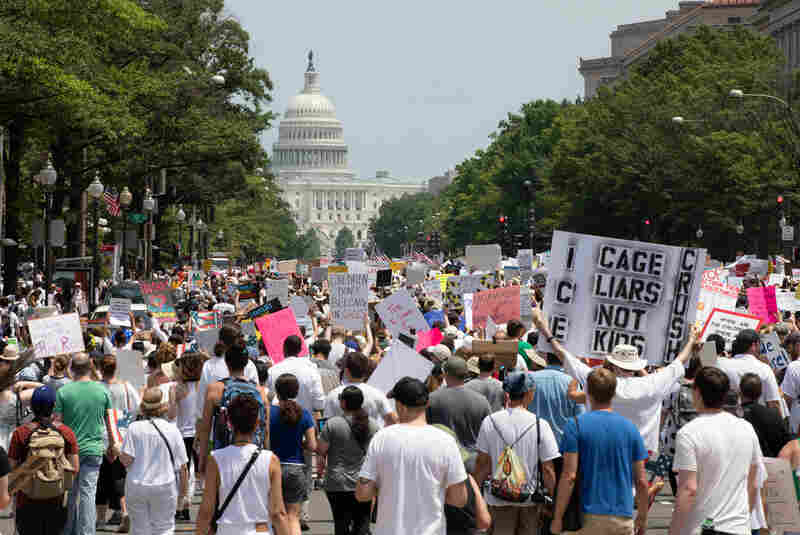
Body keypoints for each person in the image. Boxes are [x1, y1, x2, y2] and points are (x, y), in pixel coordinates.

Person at [533, 308, 699, 456]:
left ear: (612, 364)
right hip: (638, 454)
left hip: (601, 450)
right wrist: (691, 341)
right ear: (636, 365)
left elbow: (564, 356)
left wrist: (545, 330)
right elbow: (679, 362)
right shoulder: (652, 384)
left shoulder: (600, 382)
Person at [356, 376, 468, 535]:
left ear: (400, 406)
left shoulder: (381, 438)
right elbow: (459, 499)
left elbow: (363, 494)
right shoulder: (446, 441)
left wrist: (383, 487)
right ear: (426, 404)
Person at [551, 368, 650, 535]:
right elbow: (641, 481)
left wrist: (557, 517)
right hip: (623, 516)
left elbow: (569, 476)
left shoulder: (575, 425)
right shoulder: (630, 428)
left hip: (589, 515)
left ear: (588, 393)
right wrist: (642, 517)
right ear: (614, 393)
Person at [669, 366, 761, 535]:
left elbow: (688, 489)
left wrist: (674, 532)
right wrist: (743, 519)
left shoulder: (689, 433)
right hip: (739, 527)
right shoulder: (747, 428)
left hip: (703, 528)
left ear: (697, 393)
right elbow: (754, 481)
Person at [473, 372, 559, 535]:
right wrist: (556, 501)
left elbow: (482, 464)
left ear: (507, 393)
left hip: (498, 499)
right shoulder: (540, 424)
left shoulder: (490, 421)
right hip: (529, 501)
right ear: (528, 394)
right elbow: (548, 470)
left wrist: (475, 496)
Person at [196, 393, 291, 535]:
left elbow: (206, 510)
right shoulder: (270, 460)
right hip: (260, 530)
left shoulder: (216, 459)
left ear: (229, 423)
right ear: (257, 424)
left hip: (227, 530)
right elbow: (278, 512)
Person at [55, 352, 121, 535]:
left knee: (70, 493)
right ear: (90, 367)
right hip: (94, 448)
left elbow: (57, 423)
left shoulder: (63, 392)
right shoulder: (102, 390)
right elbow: (110, 422)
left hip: (69, 451)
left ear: (71, 368)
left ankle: (68, 530)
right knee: (88, 493)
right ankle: (87, 532)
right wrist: (112, 445)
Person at [8, 385, 78, 535]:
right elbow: (75, 468)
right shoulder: (66, 432)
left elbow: (11, 467)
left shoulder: (21, 433)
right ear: (54, 406)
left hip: (27, 501)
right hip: (56, 499)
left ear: (32, 406)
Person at [119, 387, 188, 535]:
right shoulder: (172, 430)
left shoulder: (133, 428)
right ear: (163, 407)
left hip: (137, 484)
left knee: (140, 529)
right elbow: (183, 466)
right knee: (164, 529)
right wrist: (183, 493)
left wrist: (119, 450)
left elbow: (126, 461)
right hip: (165, 485)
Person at [317, 386, 378, 535]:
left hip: (337, 482)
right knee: (362, 524)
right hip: (363, 481)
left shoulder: (332, 424)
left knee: (341, 525)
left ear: (343, 403)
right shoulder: (373, 425)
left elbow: (321, 451)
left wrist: (320, 471)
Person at [97, 354, 141, 532]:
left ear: (100, 369)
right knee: (120, 476)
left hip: (101, 435)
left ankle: (100, 519)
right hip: (122, 434)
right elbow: (137, 407)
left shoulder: (97, 388)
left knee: (101, 479)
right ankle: (124, 511)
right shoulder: (126, 386)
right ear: (116, 369)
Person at [269, 374, 317, 534]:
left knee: (275, 516)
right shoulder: (305, 414)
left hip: (272, 466)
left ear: (277, 392)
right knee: (293, 516)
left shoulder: (269, 413)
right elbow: (312, 445)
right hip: (296, 468)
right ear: (297, 391)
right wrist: (299, 443)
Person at [427, 356, 491, 455]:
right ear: (466, 374)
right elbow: (489, 432)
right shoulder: (482, 401)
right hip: (472, 458)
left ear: (445, 374)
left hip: (442, 455)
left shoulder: (432, 399)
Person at [323, 353, 397, 427]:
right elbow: (392, 420)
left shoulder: (332, 395)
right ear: (366, 371)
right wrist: (380, 432)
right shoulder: (377, 394)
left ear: (346, 371)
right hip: (371, 433)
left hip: (339, 434)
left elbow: (325, 425)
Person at [717, 329, 781, 412]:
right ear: (754, 345)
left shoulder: (722, 365)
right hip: (757, 418)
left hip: (728, 416)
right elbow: (773, 403)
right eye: (760, 344)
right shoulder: (764, 369)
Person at [529, 352, 585, 445]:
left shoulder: (531, 378)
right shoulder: (572, 382)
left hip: (534, 442)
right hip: (562, 445)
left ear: (546, 358)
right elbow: (580, 418)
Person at [740, 373, 791, 458]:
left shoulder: (735, 417)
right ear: (760, 393)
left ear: (740, 392)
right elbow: (785, 444)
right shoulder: (774, 415)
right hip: (772, 462)